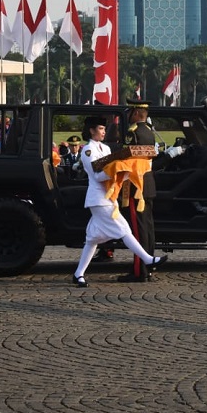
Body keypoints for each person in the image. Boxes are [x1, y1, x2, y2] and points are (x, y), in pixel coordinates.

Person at [71, 116, 166, 287]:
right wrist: (121, 170)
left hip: (109, 197)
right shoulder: (88, 151)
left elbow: (114, 165)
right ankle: (148, 259)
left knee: (93, 239)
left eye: (104, 129)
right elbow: (98, 176)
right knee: (124, 229)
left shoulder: (106, 148)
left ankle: (78, 274)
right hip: (98, 198)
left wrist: (126, 168)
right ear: (92, 130)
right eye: (101, 128)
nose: (104, 131)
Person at [119, 99, 158, 282]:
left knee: (137, 230)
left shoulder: (132, 133)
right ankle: (148, 266)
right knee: (148, 228)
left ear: (135, 113)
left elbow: (127, 159)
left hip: (136, 185)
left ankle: (139, 270)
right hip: (148, 183)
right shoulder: (150, 133)